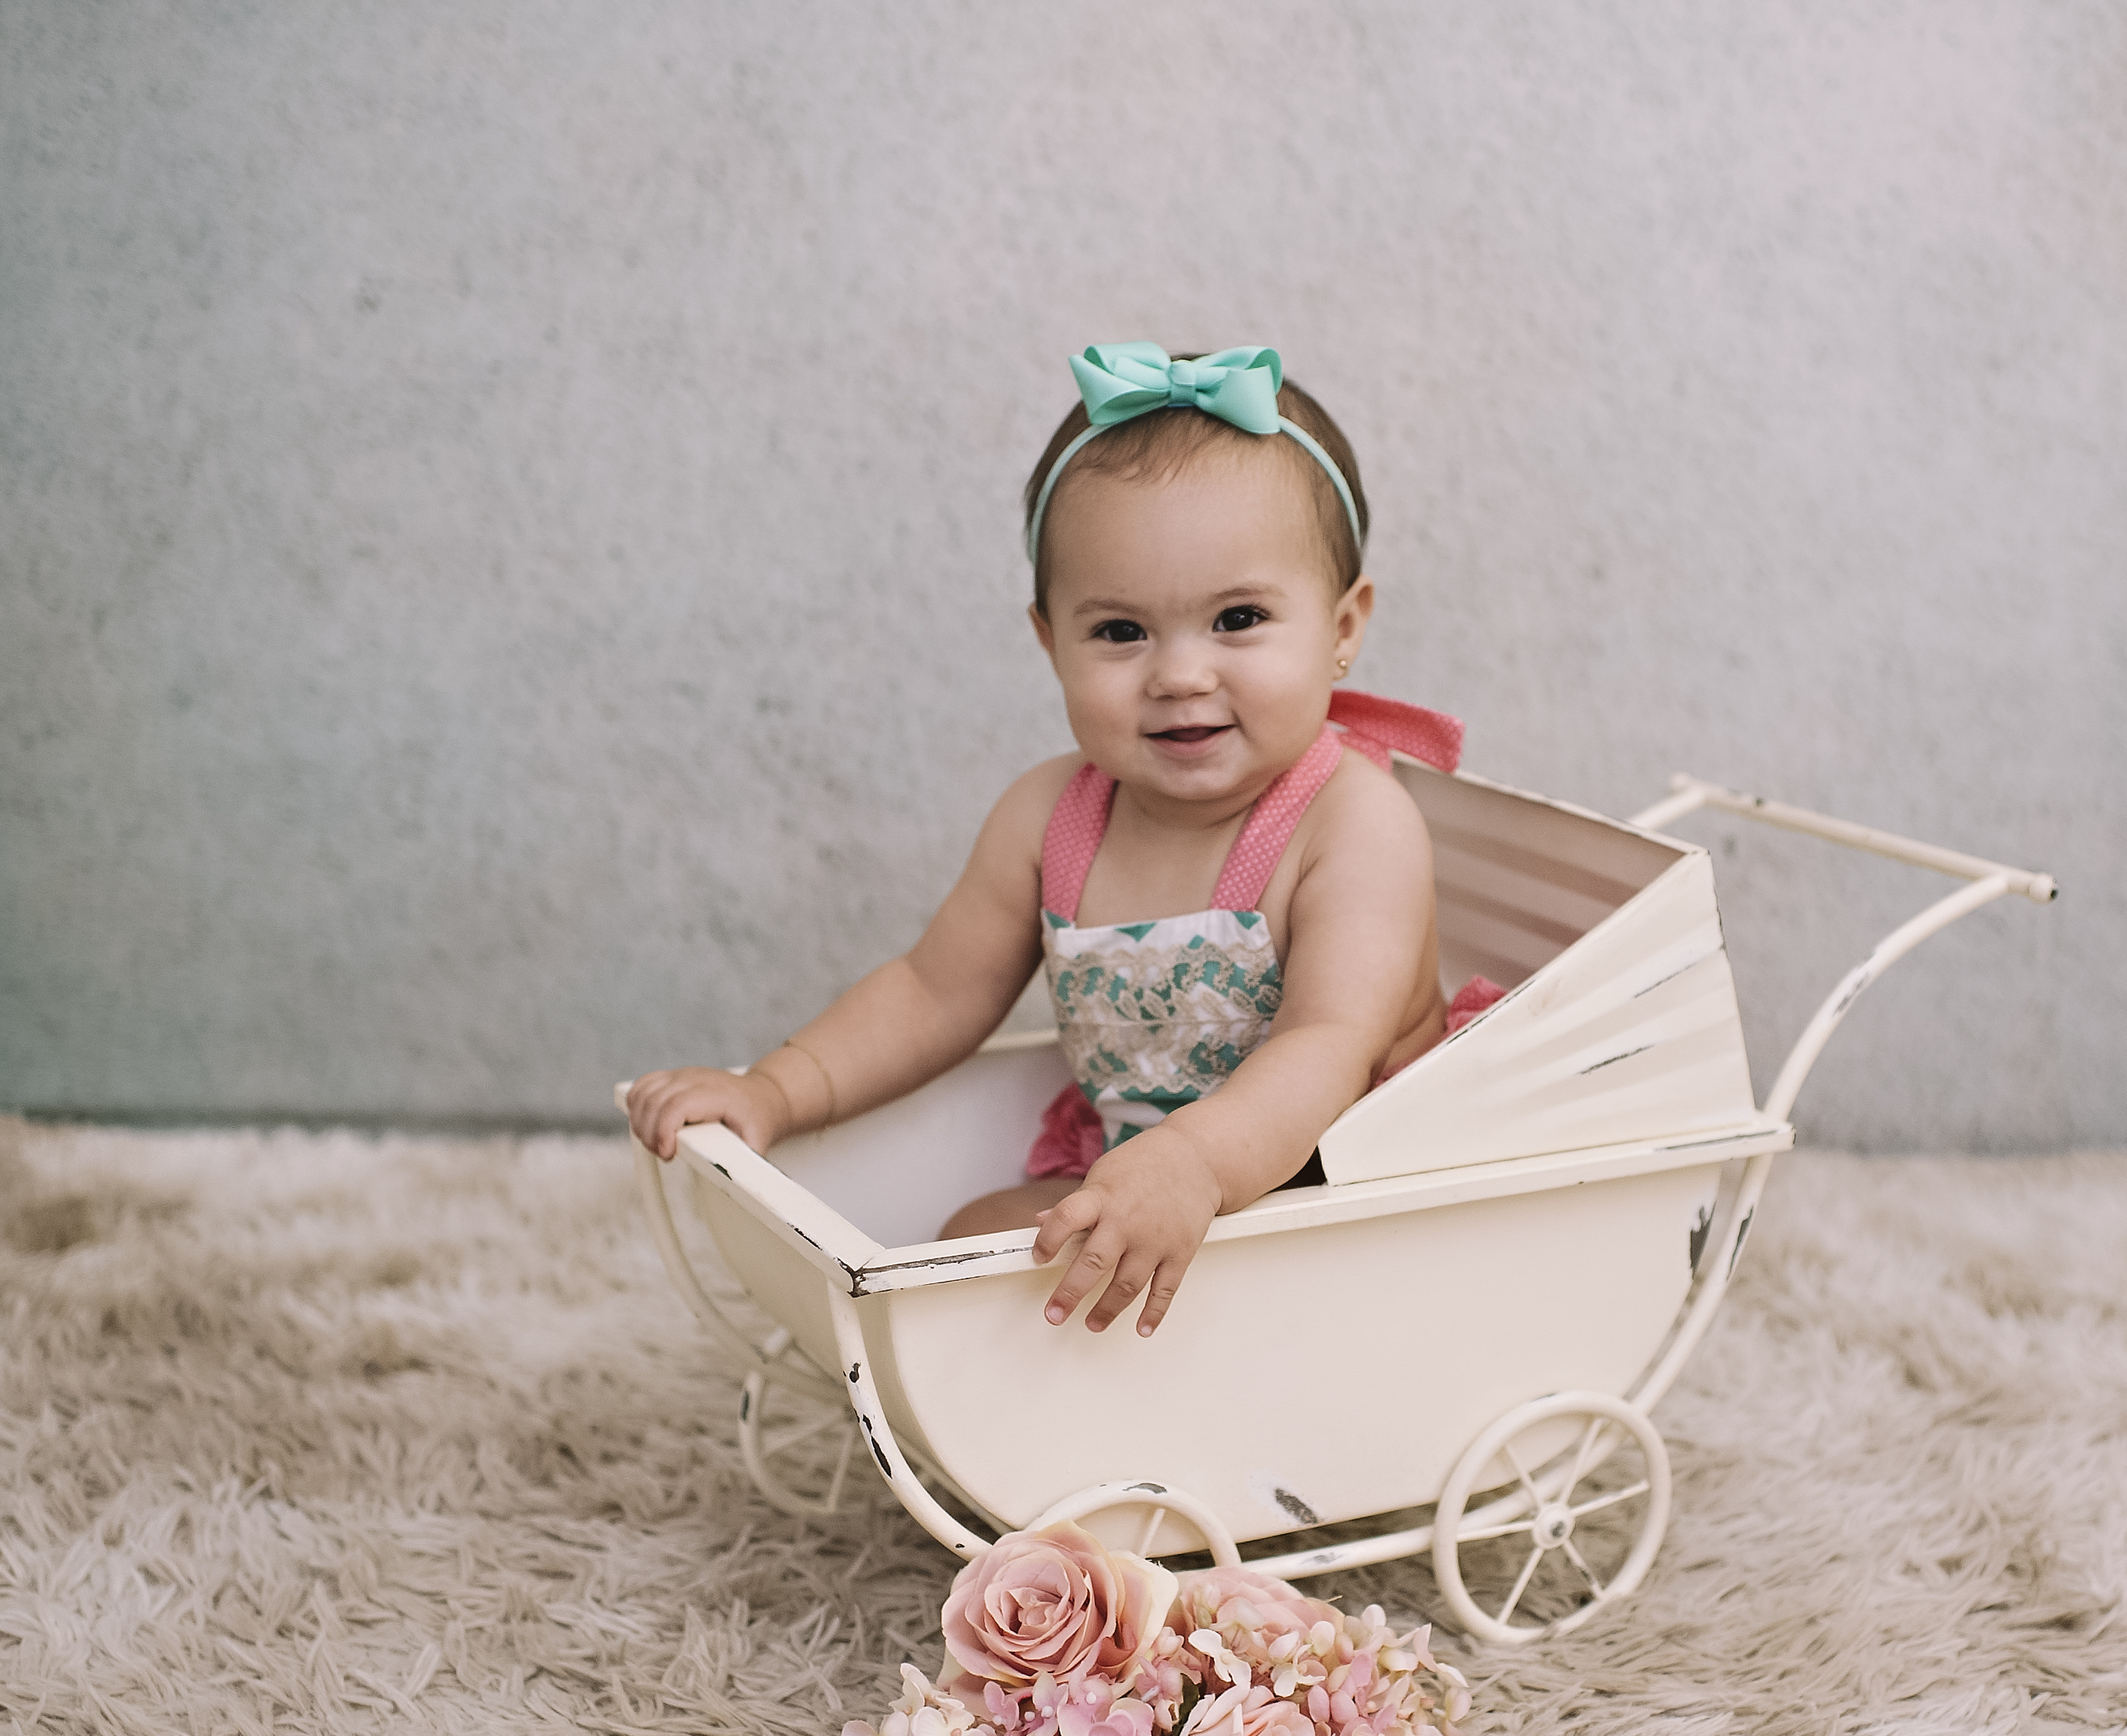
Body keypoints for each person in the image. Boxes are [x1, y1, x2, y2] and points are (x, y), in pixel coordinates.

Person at [627, 343, 1493, 1339]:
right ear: (1049, 641)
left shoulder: (1351, 821)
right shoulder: (1052, 817)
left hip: (1334, 1203)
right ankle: (1028, 1449)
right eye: (1120, 632)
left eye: (1237, 619)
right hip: (1143, 1184)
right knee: (970, 1248)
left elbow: (1325, 1041)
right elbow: (932, 990)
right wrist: (771, 1089)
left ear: (1343, 627)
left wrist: (1195, 1165)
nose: (1178, 674)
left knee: (1071, 1284)